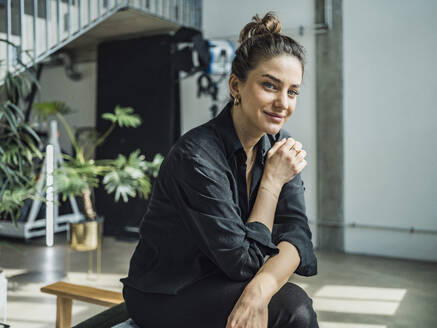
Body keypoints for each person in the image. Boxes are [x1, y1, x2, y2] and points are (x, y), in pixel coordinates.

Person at [121, 12, 318, 328]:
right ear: (236, 86)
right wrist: (271, 181)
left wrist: (259, 290)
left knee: (284, 302)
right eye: (270, 85)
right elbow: (243, 262)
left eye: (292, 91)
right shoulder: (197, 157)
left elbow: (296, 235)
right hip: (167, 291)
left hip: (226, 280)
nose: (283, 102)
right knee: (293, 309)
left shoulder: (280, 145)